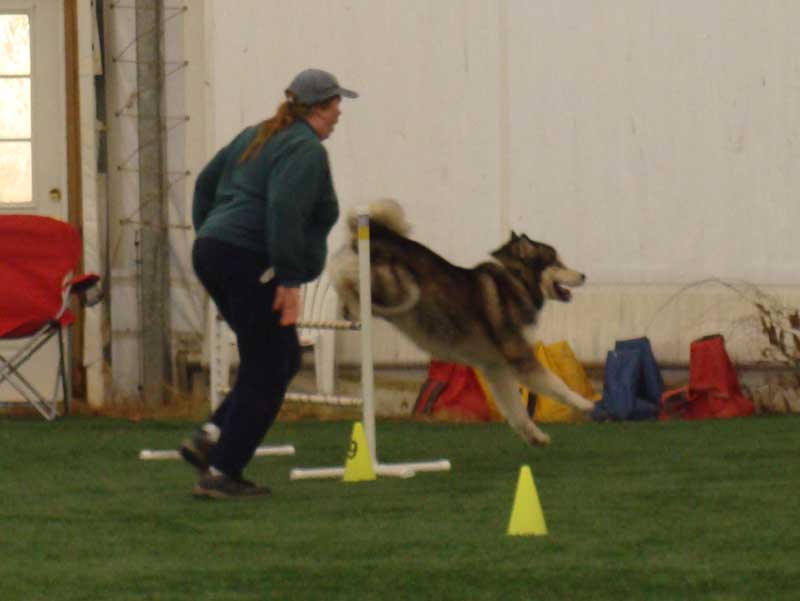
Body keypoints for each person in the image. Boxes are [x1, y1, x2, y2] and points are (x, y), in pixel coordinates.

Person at [180, 68, 358, 498]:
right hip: (248, 258)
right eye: (335, 103)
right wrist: (290, 280)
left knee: (277, 357)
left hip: (214, 251)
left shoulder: (256, 134)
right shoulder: (304, 150)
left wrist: (212, 232)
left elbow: (205, 184)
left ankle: (212, 436)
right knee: (271, 366)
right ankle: (222, 472)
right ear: (317, 107)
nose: (339, 112)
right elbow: (283, 210)